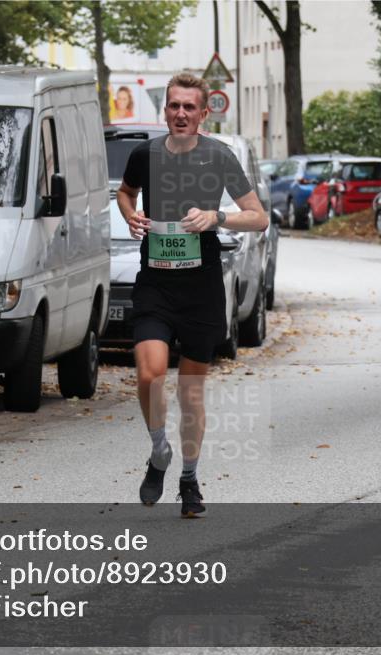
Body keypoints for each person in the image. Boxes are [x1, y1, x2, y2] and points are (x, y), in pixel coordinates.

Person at [116, 72, 267, 516]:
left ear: (203, 114)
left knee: (191, 393)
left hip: (200, 287)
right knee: (150, 374)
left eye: (189, 107)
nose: (181, 113)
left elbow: (257, 218)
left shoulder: (218, 156)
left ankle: (188, 479)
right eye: (174, 106)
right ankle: (159, 450)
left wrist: (216, 217)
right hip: (156, 284)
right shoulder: (145, 154)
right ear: (165, 111)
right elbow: (127, 193)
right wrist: (130, 215)